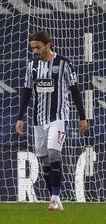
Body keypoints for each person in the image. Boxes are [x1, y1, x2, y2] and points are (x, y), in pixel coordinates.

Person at [15, 30, 88, 211]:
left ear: (49, 45)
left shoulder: (64, 63)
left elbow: (75, 90)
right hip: (38, 120)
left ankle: (55, 196)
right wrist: (20, 117)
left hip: (59, 118)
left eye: (38, 47)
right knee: (44, 160)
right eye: (32, 48)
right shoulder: (32, 66)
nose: (35, 51)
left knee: (54, 152)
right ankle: (54, 198)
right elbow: (26, 92)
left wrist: (82, 116)